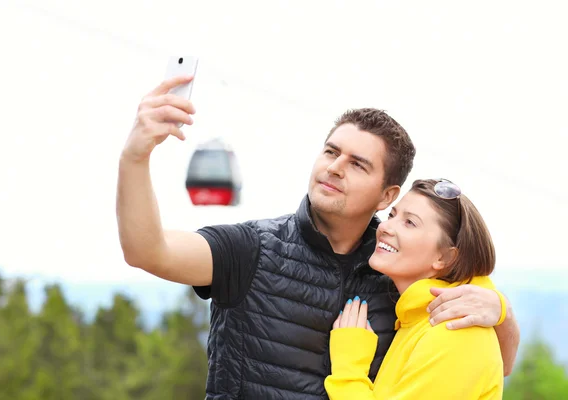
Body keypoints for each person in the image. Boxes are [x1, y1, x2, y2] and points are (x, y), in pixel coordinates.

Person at [116, 75, 520, 399]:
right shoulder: (251, 248)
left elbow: (491, 364)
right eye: (331, 152)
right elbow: (148, 251)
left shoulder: (399, 271)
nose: (335, 167)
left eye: (358, 164)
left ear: (387, 195)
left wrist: (501, 312)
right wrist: (136, 155)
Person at [325, 179, 506, 399]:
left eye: (409, 222)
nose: (385, 227)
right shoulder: (418, 319)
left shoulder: (454, 333)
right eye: (392, 215)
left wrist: (349, 370)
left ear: (444, 257)